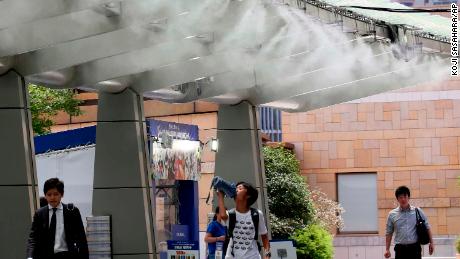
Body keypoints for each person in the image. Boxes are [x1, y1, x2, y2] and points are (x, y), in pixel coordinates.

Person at [27, 178, 89, 259]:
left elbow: (81, 238)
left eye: (56, 194)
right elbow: (33, 238)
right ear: (45, 195)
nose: (52, 197)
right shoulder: (39, 214)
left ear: (62, 194)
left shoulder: (72, 211)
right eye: (49, 195)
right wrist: (30, 256)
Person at [217, 181, 271, 259]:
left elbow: (264, 237)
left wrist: (267, 255)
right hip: (232, 256)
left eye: (240, 188)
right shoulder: (230, 214)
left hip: (253, 256)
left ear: (248, 195)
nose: (236, 190)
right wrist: (220, 196)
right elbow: (222, 215)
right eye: (236, 188)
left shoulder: (257, 214)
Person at [384, 185, 434, 259]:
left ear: (409, 197)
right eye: (400, 197)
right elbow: (389, 232)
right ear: (397, 199)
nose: (403, 199)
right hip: (400, 250)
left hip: (415, 248)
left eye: (405, 196)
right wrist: (387, 249)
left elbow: (427, 227)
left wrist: (431, 243)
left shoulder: (417, 211)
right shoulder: (392, 214)